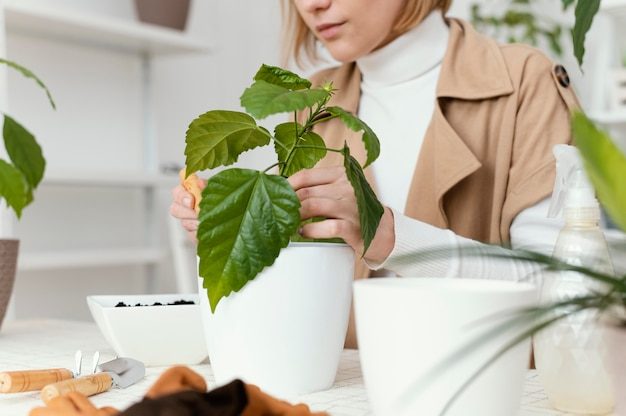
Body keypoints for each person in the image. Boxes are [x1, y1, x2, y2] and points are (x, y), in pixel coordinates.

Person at [170, 0, 579, 347]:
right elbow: (300, 293)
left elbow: (568, 288)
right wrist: (236, 230)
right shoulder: (312, 102)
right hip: (349, 393)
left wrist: (390, 237)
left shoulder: (524, 81)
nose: (312, 4)